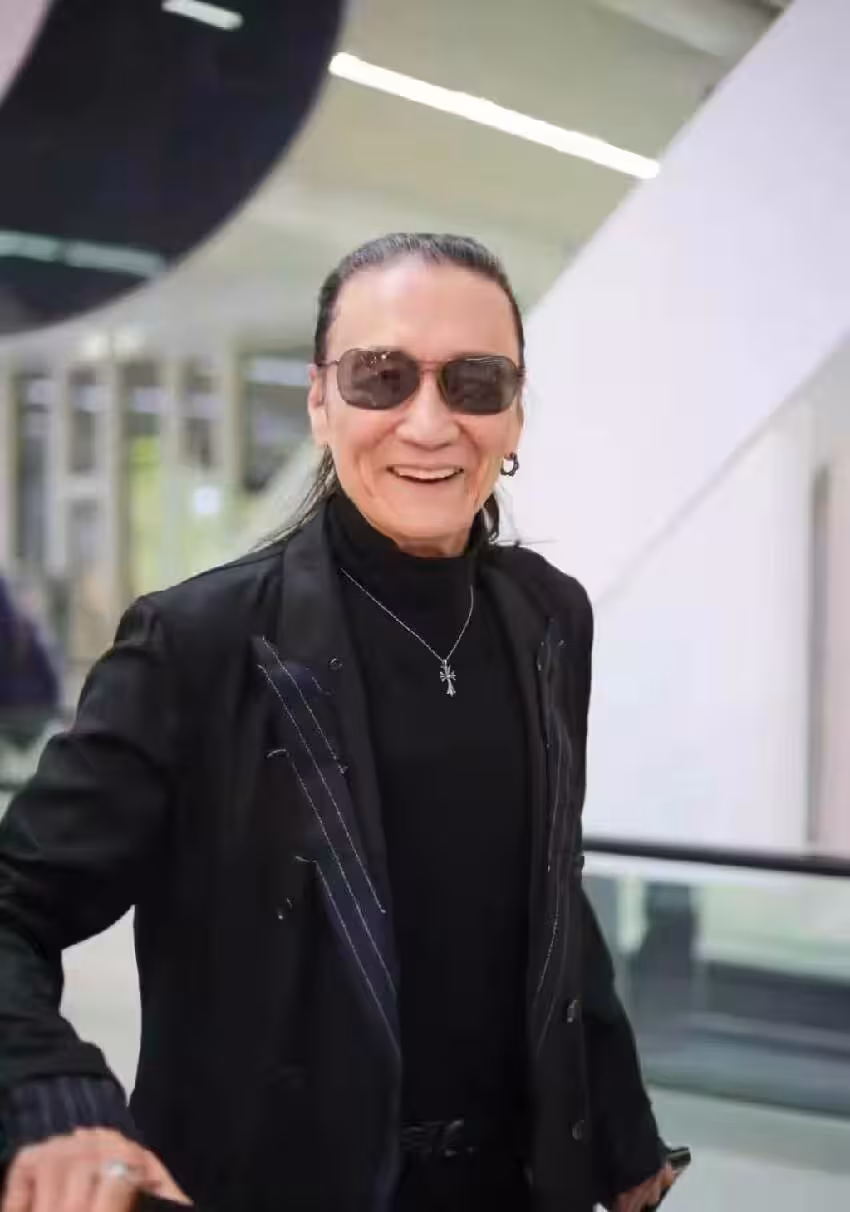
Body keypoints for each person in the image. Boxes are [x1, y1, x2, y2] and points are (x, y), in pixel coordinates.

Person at [0, 234, 676, 1212]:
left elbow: (549, 890)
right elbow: (13, 906)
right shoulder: (198, 643)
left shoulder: (547, 616)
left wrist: (619, 1124)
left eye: (475, 382)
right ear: (321, 401)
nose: (429, 423)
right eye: (380, 377)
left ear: (515, 411)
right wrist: (56, 1101)